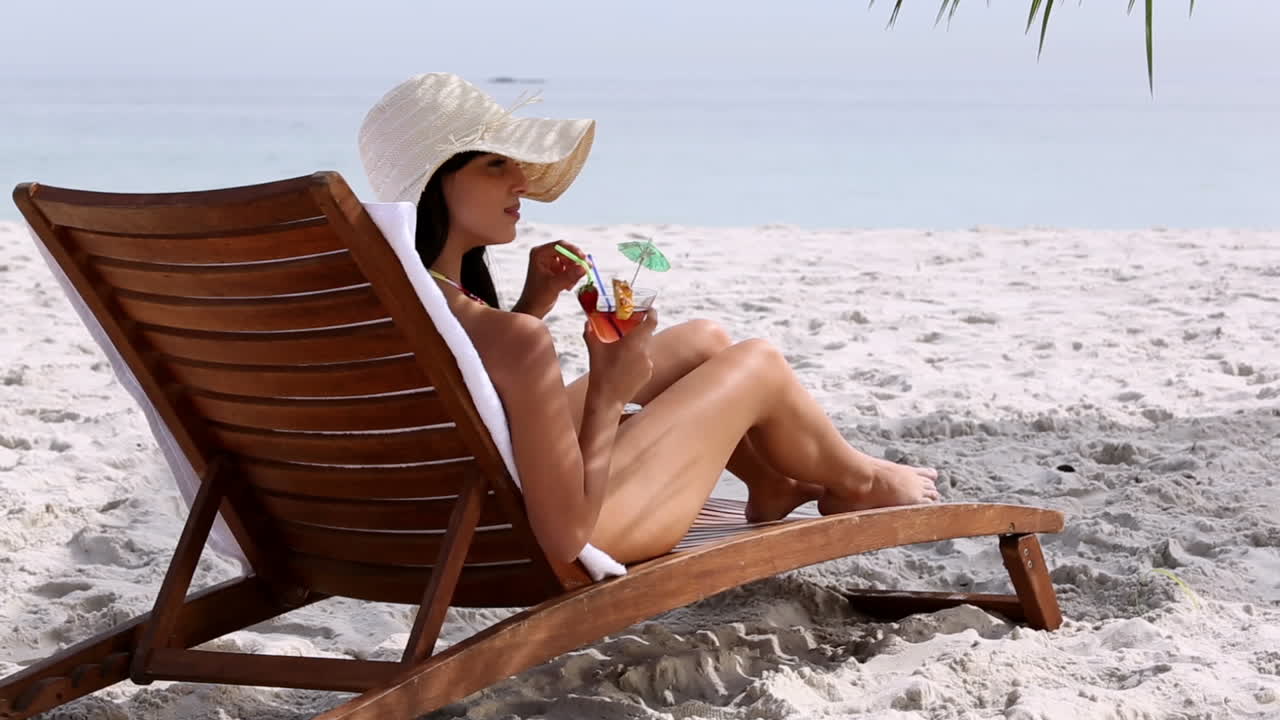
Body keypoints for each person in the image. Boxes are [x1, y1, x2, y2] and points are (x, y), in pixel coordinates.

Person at [359, 74, 939, 567]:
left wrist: (533, 305)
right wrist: (608, 395)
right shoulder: (510, 338)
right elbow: (565, 540)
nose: (522, 182)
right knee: (757, 362)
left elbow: (476, 402)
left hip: (461, 518)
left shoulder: (391, 301)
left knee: (704, 340)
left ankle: (772, 483)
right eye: (495, 165)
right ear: (438, 183)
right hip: (559, 534)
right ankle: (862, 481)